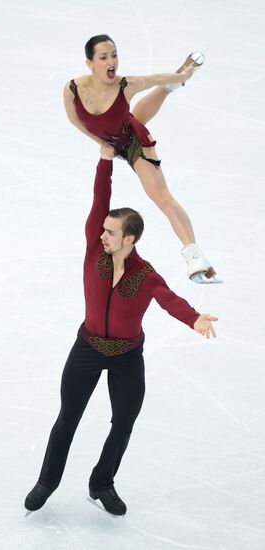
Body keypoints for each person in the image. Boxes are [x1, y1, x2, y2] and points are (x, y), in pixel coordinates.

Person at [24, 147, 218, 516]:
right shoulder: (93, 252)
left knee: (124, 421)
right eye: (104, 230)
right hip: (87, 347)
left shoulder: (145, 276)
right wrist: (104, 161)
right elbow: (100, 201)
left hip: (128, 356)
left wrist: (195, 318)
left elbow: (168, 298)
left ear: (130, 239)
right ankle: (47, 480)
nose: (103, 235)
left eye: (112, 232)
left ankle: (102, 482)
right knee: (68, 417)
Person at [63, 34, 221, 284]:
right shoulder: (73, 89)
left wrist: (182, 77)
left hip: (135, 143)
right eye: (103, 57)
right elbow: (75, 121)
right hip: (118, 131)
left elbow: (154, 78)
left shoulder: (126, 85)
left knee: (162, 198)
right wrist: (102, 144)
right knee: (131, 116)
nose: (111, 62)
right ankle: (169, 87)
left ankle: (194, 256)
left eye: (114, 55)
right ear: (90, 63)